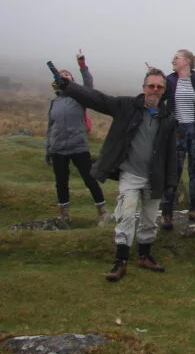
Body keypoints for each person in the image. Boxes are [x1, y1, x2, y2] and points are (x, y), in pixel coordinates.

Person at [57, 68, 177, 282]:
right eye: (151, 86)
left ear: (164, 90)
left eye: (159, 87)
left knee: (150, 220)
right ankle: (120, 262)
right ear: (144, 87)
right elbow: (98, 99)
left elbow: (171, 153)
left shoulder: (167, 118)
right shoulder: (126, 106)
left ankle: (144, 256)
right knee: (127, 216)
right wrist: (70, 87)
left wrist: (170, 181)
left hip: (155, 177)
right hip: (130, 174)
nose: (155, 90)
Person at [45, 49, 108, 225]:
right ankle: (64, 216)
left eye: (67, 75)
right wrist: (48, 150)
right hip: (58, 148)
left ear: (71, 81)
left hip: (78, 146)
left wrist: (82, 64)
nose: (63, 76)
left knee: (89, 179)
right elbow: (50, 128)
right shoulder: (54, 102)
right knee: (61, 182)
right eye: (61, 74)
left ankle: (102, 212)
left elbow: (88, 84)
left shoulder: (79, 98)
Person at [161, 49, 195, 229]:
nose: (172, 61)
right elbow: (159, 99)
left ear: (187, 61)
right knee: (172, 172)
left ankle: (194, 209)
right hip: (176, 131)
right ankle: (166, 213)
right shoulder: (169, 81)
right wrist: (154, 78)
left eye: (176, 58)